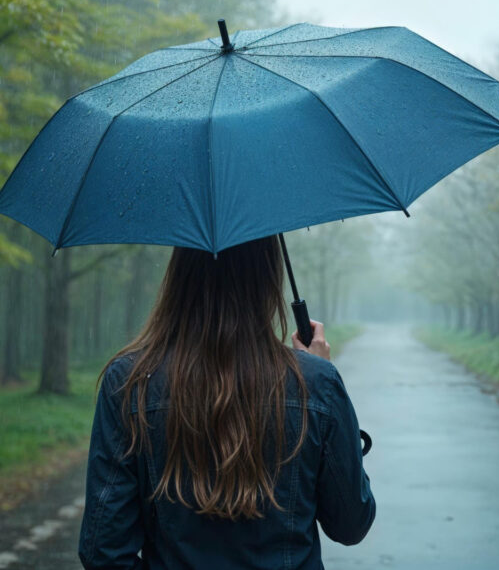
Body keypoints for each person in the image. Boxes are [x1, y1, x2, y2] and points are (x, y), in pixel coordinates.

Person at [78, 235, 375, 569]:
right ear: (267, 276)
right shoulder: (317, 383)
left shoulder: (130, 381)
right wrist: (323, 385)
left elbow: (103, 549)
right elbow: (351, 524)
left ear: (179, 276)